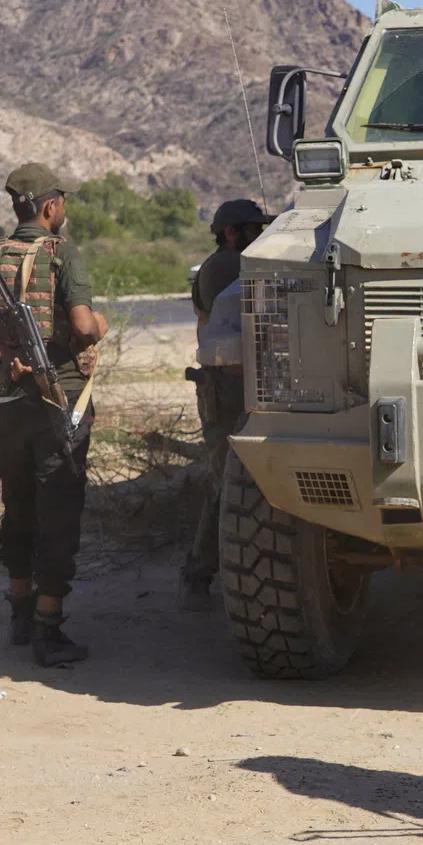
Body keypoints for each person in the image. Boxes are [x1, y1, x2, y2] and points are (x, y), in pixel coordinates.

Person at [0, 164, 108, 666]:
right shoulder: (62, 253)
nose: (64, 211)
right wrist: (99, 322)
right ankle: (48, 629)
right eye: (63, 203)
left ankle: (19, 612)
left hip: (3, 399)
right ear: (50, 207)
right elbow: (80, 324)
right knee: (58, 506)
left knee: (18, 500)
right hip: (59, 399)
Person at [181, 198, 274, 610]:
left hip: (232, 383)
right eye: (254, 230)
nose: (261, 236)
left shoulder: (225, 265)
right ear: (234, 233)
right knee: (228, 480)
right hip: (226, 386)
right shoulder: (226, 267)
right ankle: (198, 574)